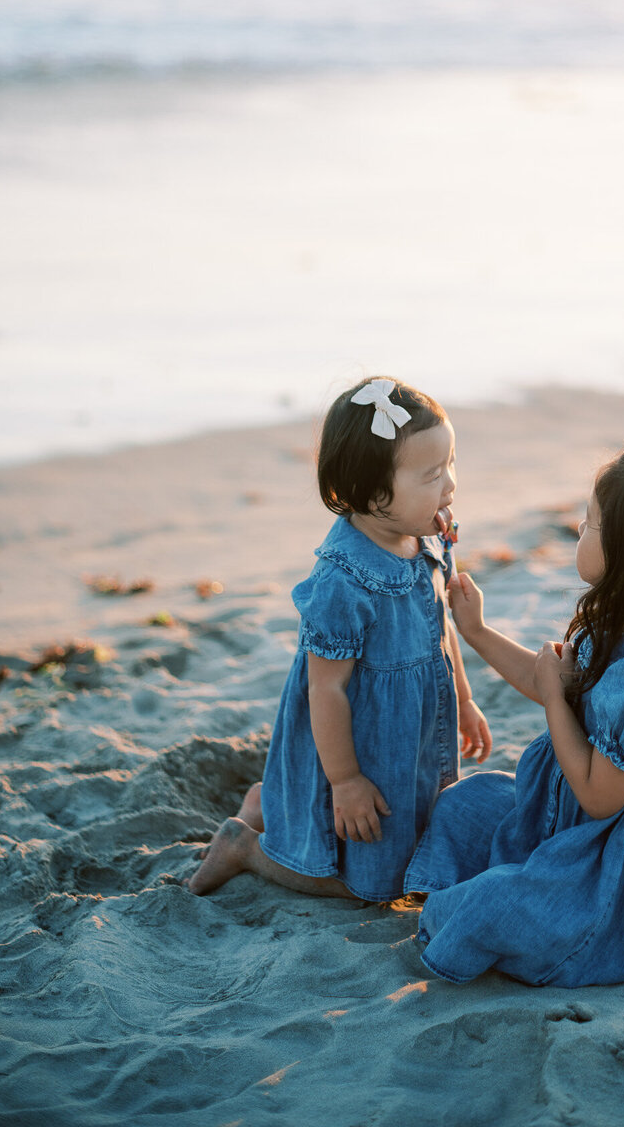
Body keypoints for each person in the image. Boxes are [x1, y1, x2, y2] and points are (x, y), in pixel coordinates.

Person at [405, 438, 624, 985]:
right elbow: (551, 685)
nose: (579, 530)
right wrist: (476, 632)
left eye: (591, 525)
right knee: (463, 805)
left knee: (492, 905)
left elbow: (598, 792)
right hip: (576, 826)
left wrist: (556, 696)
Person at [188, 376, 491, 902]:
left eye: (451, 465)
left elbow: (438, 625)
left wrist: (463, 699)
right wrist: (347, 782)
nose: (450, 486)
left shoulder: (432, 537)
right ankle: (246, 848)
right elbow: (323, 690)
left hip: (414, 730)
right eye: (433, 474)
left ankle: (267, 804)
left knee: (415, 841)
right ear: (374, 495)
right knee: (374, 885)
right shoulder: (343, 582)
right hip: (357, 745)